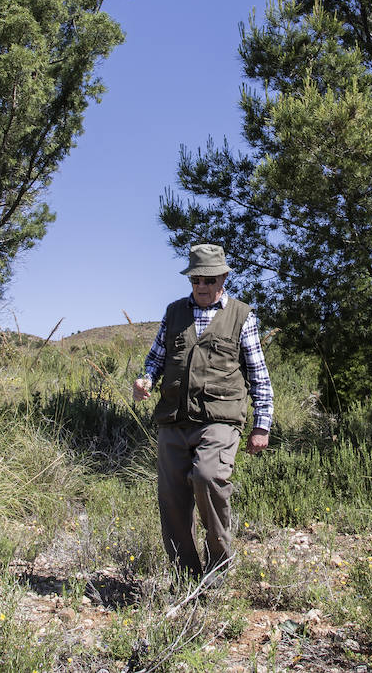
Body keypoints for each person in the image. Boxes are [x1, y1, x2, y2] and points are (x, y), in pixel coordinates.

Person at [132, 243, 273, 581]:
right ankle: (187, 578)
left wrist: (261, 425)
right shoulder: (174, 312)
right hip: (173, 420)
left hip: (220, 420)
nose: (202, 286)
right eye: (196, 280)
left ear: (223, 277)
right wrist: (146, 379)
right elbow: (156, 358)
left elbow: (258, 375)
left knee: (208, 478)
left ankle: (218, 569)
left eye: (209, 279)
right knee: (172, 499)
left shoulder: (242, 316)